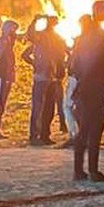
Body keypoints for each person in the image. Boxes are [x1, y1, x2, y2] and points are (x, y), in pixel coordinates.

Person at [70, 2, 104, 182]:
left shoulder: (83, 35)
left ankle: (79, 170)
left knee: (84, 129)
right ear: (99, 12)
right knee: (95, 128)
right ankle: (93, 170)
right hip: (95, 87)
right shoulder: (99, 34)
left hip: (85, 86)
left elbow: (75, 63)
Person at [23, 16, 66, 146]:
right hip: (42, 76)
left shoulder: (57, 38)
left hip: (52, 77)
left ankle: (44, 135)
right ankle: (34, 136)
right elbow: (29, 36)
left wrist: (60, 71)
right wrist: (34, 21)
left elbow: (60, 56)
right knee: (38, 107)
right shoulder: (40, 36)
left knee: (49, 107)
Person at [0, 20, 19, 139]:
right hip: (2, 76)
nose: (14, 32)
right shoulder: (2, 42)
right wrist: (0, 70)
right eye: (12, 29)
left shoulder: (9, 42)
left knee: (2, 103)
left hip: (7, 77)